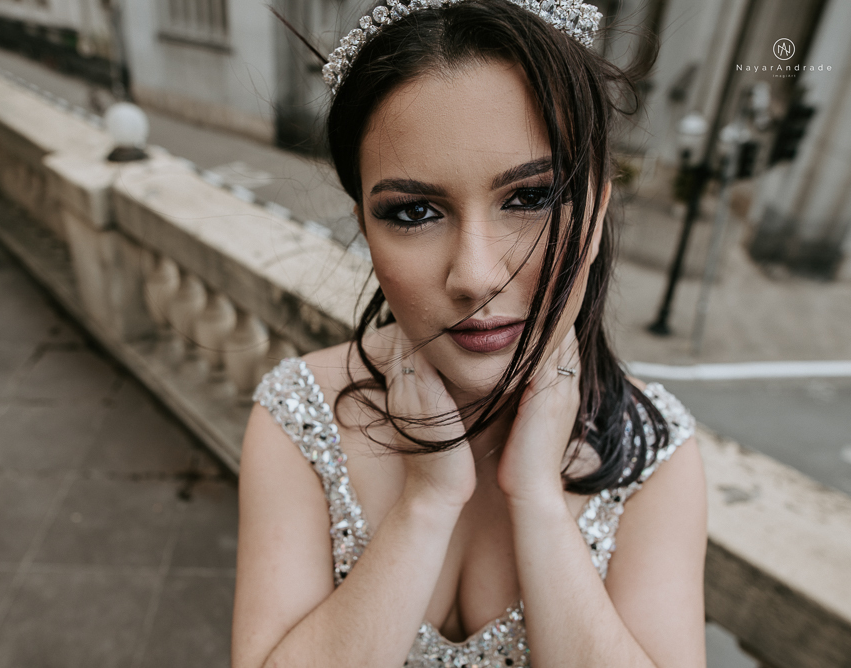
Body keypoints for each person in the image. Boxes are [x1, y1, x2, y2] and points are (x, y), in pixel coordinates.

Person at [232, 1, 708, 666]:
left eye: (531, 197)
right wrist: (426, 503)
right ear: (365, 227)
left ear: (597, 210)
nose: (477, 276)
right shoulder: (299, 413)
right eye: (415, 211)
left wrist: (539, 499)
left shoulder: (655, 452)